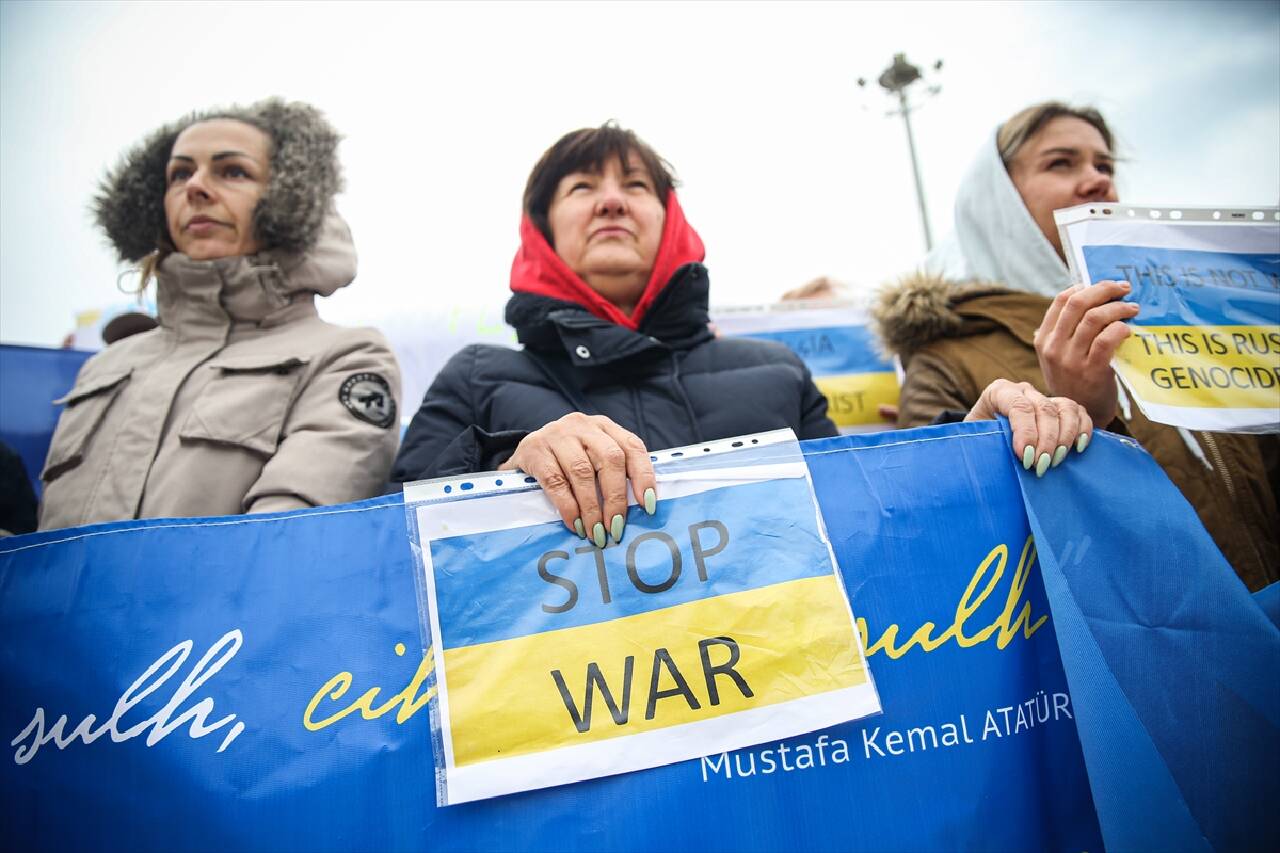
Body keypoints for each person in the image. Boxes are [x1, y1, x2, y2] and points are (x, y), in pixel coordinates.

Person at [391, 123, 1093, 549]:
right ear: (540, 231)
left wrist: (972, 447)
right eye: (580, 187)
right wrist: (510, 472)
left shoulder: (776, 370)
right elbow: (385, 544)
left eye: (636, 185)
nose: (611, 198)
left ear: (673, 223)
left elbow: (875, 529)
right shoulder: (478, 375)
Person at [872, 101, 1279, 591]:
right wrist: (1087, 418)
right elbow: (937, 535)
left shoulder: (1180, 317)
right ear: (998, 202)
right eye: (1060, 163)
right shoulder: (946, 356)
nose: (1096, 180)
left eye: (1104, 165)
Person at [39, 99, 401, 531]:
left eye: (232, 171)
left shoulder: (347, 357)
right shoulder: (104, 367)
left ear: (288, 200)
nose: (195, 187)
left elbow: (282, 542)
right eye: (179, 174)